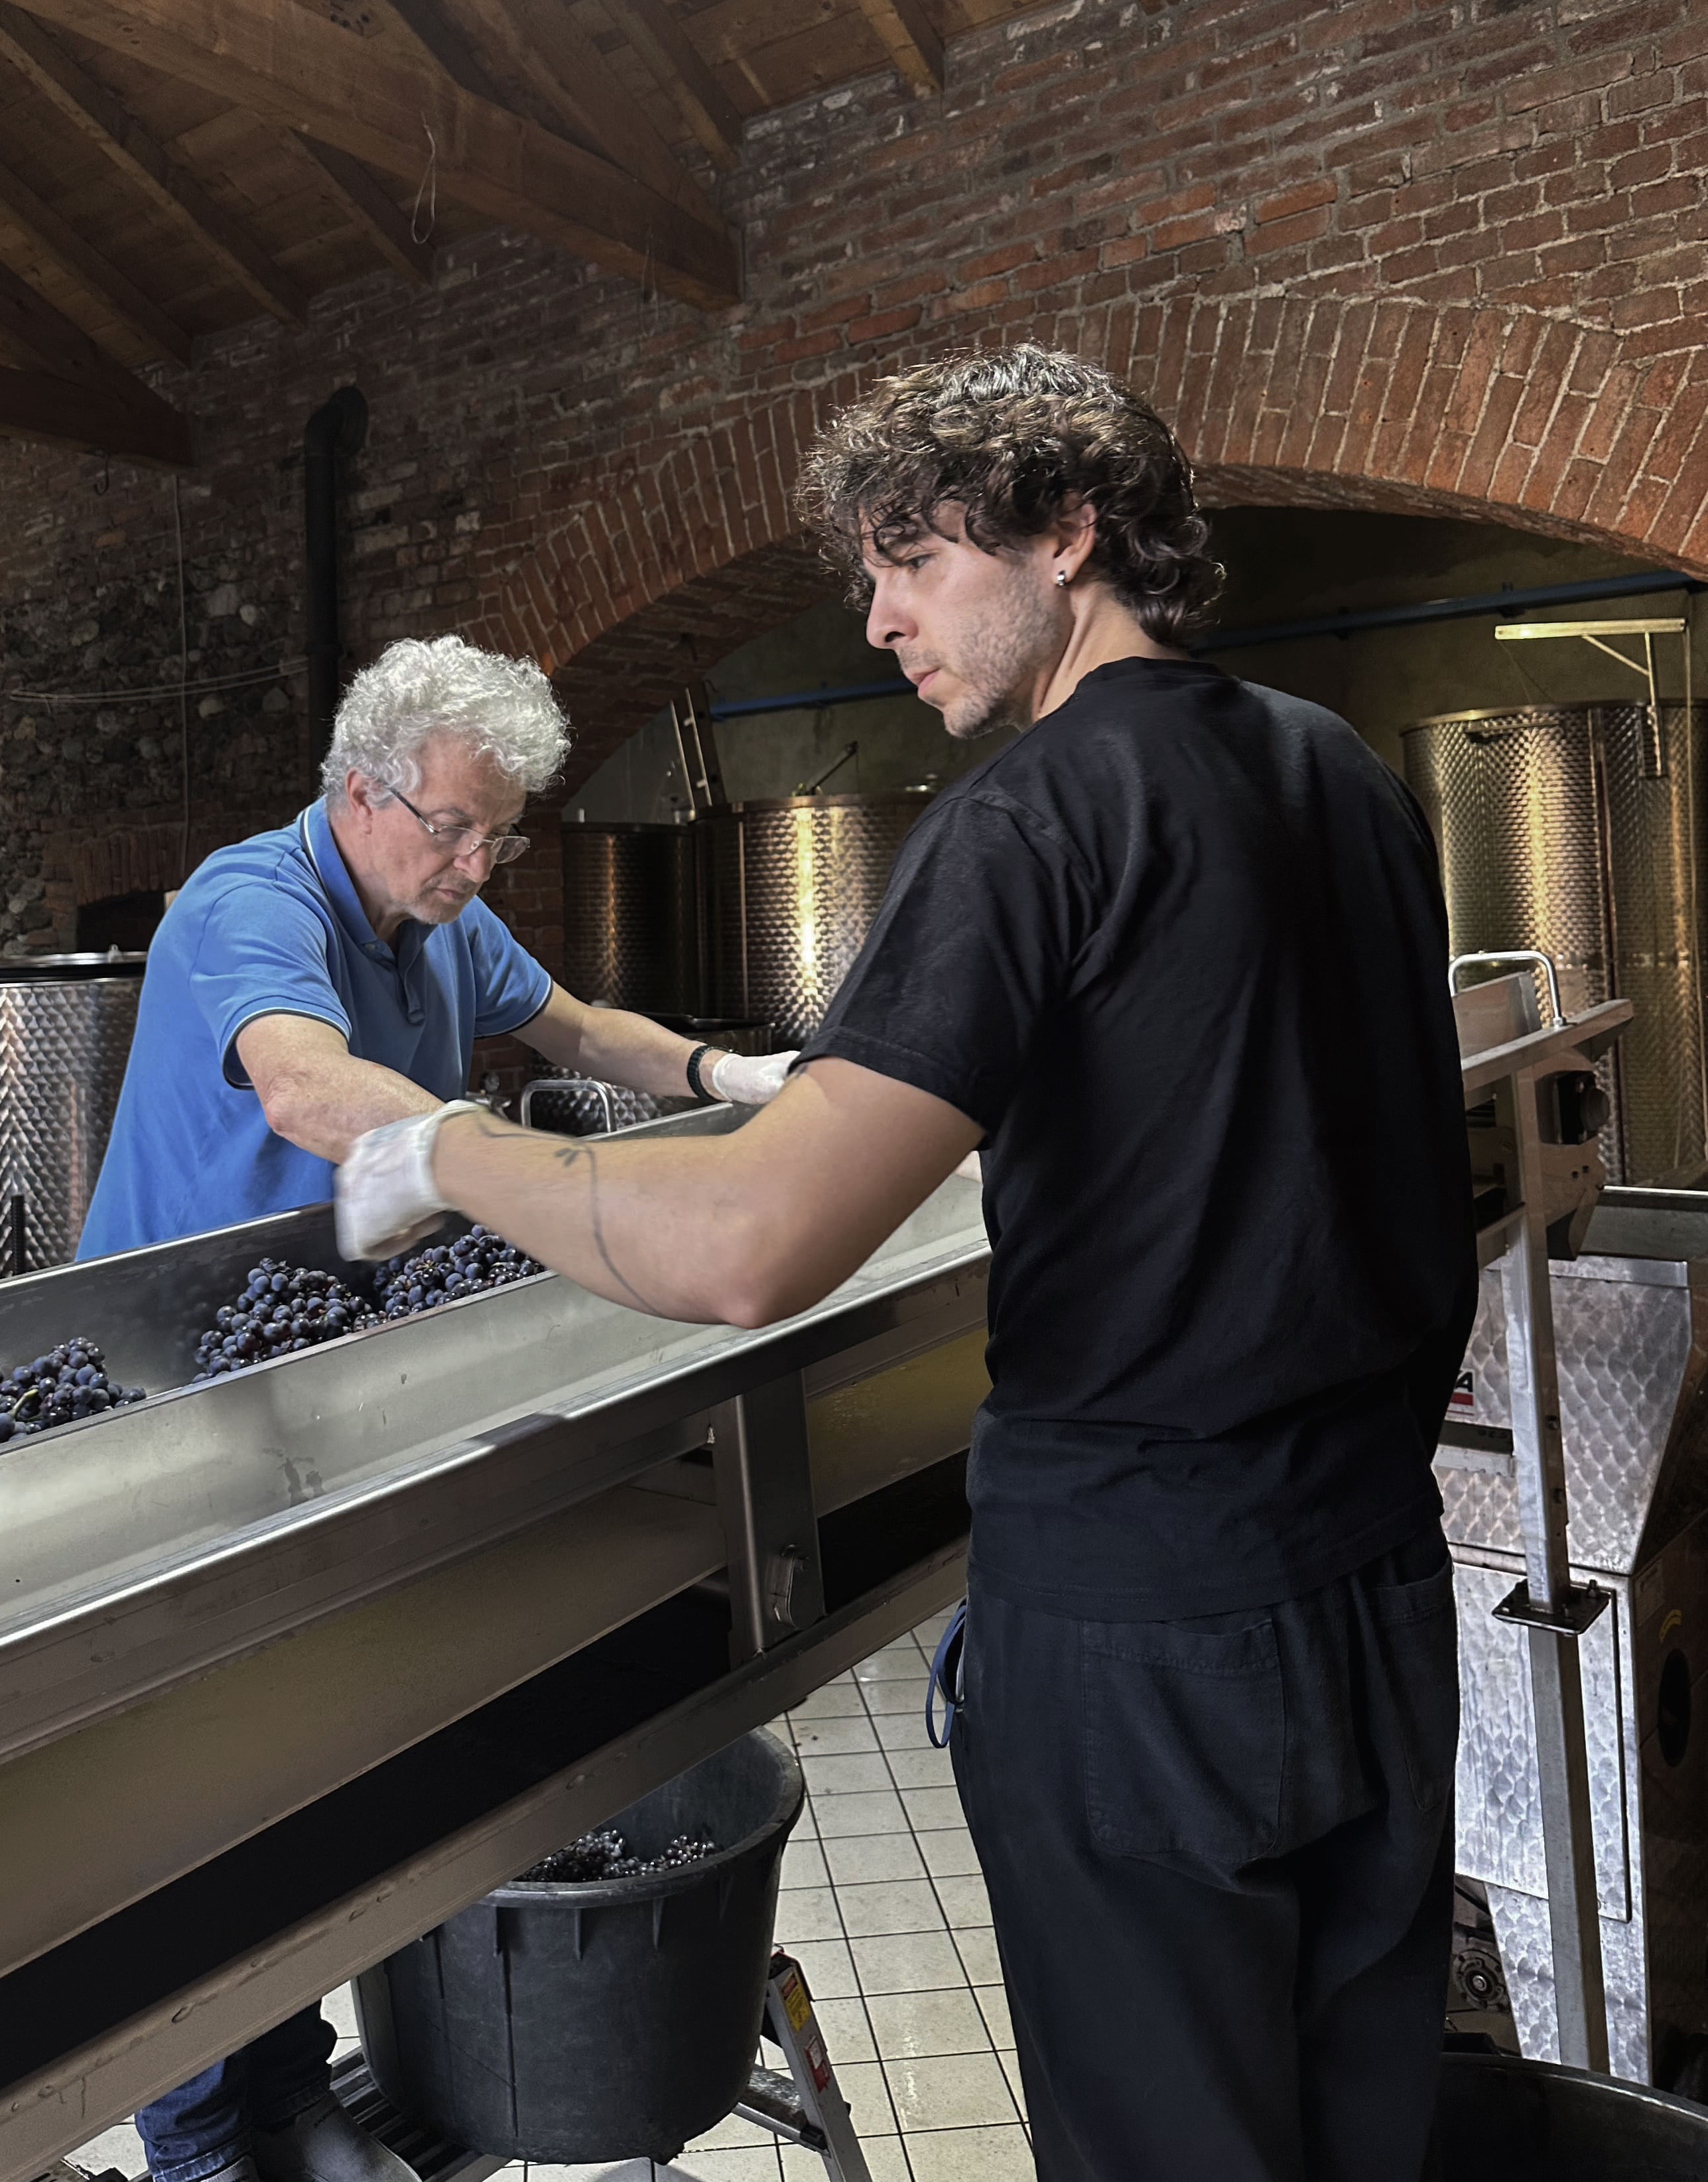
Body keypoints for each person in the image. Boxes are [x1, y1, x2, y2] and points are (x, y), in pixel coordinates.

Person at [336, 350, 1478, 2182]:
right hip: (1371, 1597)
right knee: (1354, 2139)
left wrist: (449, 1151)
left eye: (913, 564)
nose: (874, 620)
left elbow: (748, 1246)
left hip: (1147, 1645)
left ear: (1069, 534)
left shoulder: (1031, 818)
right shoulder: (1337, 771)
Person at [78, 633, 793, 2182]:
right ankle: (205, 2143)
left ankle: (280, 2083)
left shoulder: (438, 918)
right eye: (455, 828)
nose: (480, 863)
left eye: (503, 834)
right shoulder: (248, 903)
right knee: (208, 1789)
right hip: (179, 1403)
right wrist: (531, 1178)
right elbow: (303, 1087)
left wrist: (737, 1081)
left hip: (330, 1392)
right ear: (361, 789)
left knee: (321, 1756)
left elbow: (581, 1029)